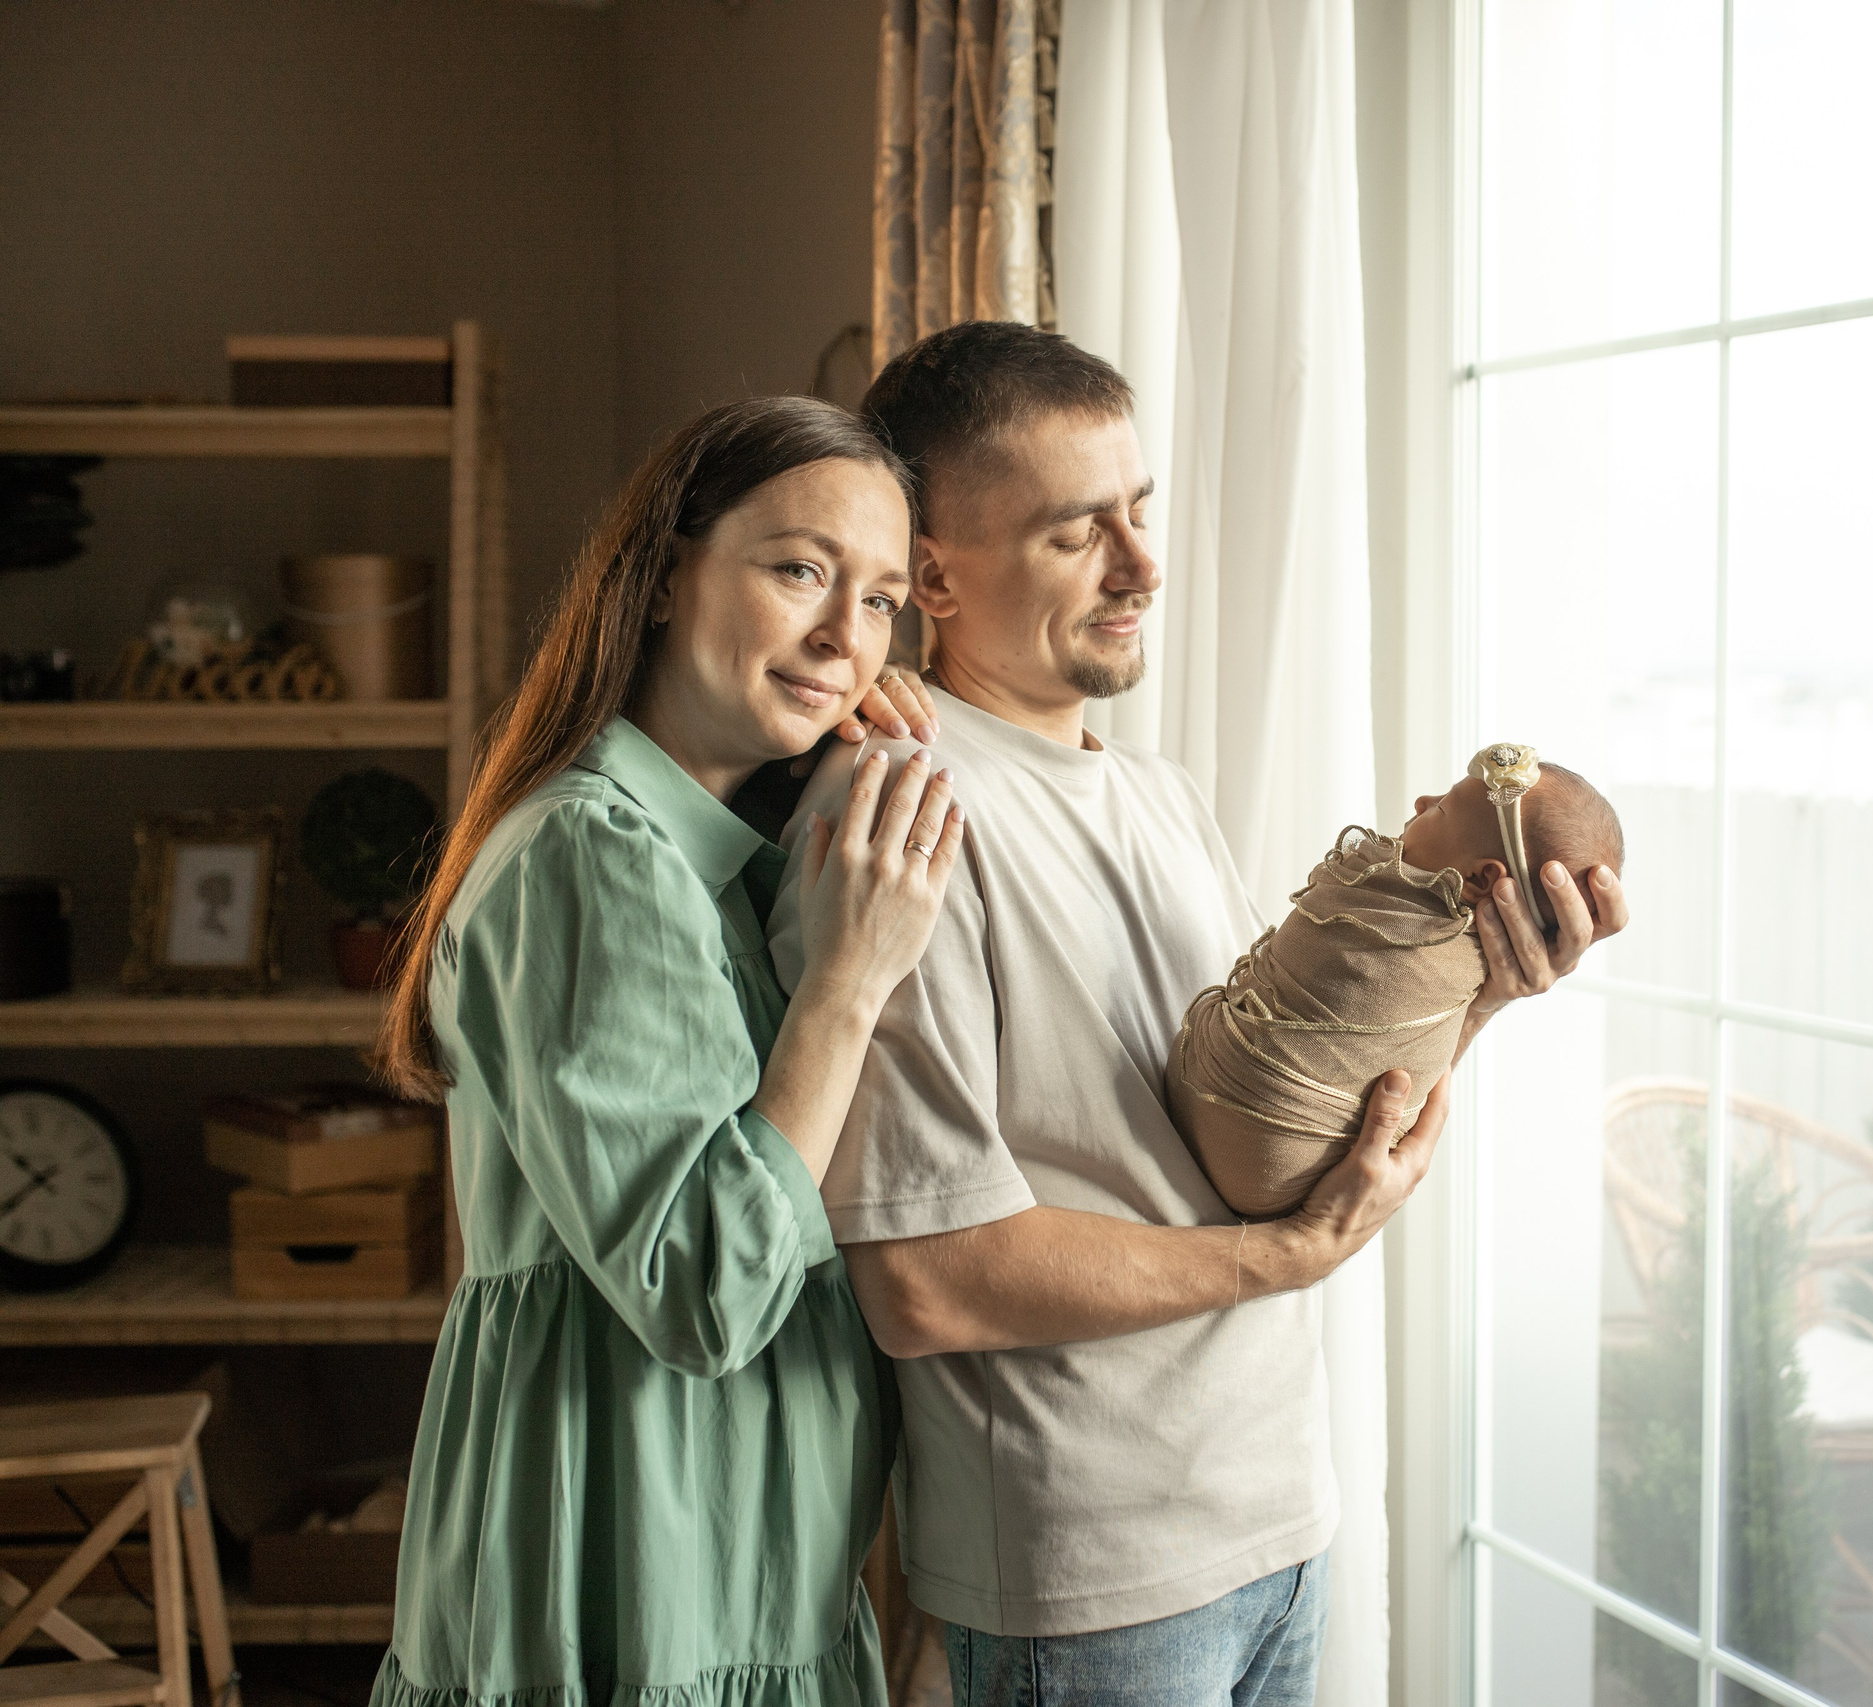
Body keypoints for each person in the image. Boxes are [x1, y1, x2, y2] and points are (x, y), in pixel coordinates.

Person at [768, 320, 1627, 1706]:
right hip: (1089, 1578)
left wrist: (1473, 989)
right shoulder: (897, 810)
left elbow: (1258, 1119)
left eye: (1141, 511)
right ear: (934, 573)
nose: (1143, 565)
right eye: (1074, 532)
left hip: (1280, 1524)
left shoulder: (1159, 794)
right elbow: (924, 1279)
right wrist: (1285, 1258)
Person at [369, 397, 964, 1707]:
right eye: (800, 569)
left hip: (747, 1568)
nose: (841, 639)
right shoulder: (593, 852)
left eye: (878, 602)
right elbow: (704, 1285)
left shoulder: (723, 858)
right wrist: (849, 983)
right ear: (660, 574)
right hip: (634, 1570)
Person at [1170, 746, 1627, 1218]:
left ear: (1480, 878)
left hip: (1247, 1128)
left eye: (1443, 807)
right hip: (1263, 1171)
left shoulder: (1409, 927)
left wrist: (1485, 1003)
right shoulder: (1451, 952)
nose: (1422, 803)